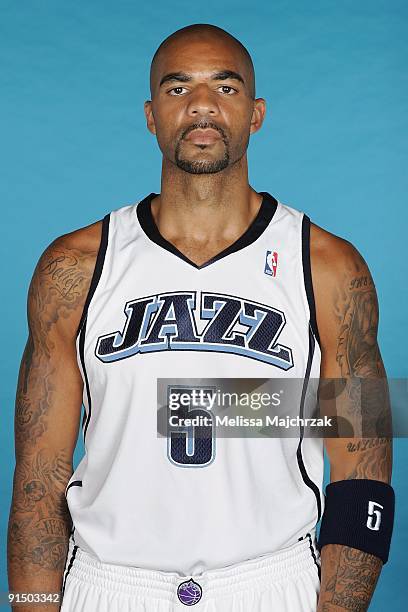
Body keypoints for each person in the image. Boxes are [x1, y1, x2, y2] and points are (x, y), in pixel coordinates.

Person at [8, 23, 394, 612]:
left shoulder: (329, 267)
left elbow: (361, 468)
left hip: (270, 583)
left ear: (257, 113)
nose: (203, 105)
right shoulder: (75, 267)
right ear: (150, 115)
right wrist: (34, 602)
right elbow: (39, 479)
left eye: (226, 87)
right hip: (110, 583)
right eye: (178, 87)